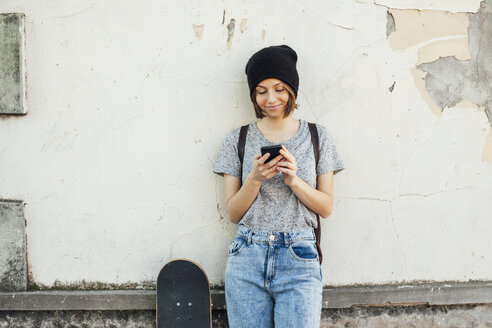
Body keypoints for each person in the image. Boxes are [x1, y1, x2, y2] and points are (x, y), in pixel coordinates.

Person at [213, 45, 345, 328]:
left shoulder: (317, 136)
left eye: (279, 89)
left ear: (292, 90)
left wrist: (294, 181)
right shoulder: (237, 139)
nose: (270, 99)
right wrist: (255, 178)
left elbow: (326, 206)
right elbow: (234, 213)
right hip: (247, 255)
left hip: (299, 258)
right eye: (261, 91)